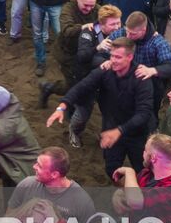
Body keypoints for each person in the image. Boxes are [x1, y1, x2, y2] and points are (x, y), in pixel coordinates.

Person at [46, 38, 155, 173]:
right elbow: (82, 86)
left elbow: (143, 113)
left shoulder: (141, 78)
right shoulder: (105, 70)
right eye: (112, 55)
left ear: (130, 57)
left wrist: (120, 130)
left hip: (137, 133)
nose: (113, 60)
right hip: (110, 129)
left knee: (142, 171)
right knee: (111, 170)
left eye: (118, 57)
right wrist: (62, 106)